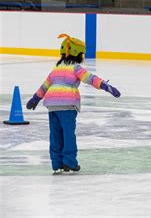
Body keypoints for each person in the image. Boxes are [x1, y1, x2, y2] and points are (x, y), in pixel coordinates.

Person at [26, 34, 121, 174]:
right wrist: (106, 86)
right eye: (82, 53)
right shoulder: (76, 68)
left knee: (55, 134)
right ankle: (70, 163)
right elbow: (90, 78)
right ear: (77, 53)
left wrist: (35, 98)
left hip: (52, 106)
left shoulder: (56, 69)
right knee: (68, 134)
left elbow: (45, 86)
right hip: (67, 105)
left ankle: (56, 163)